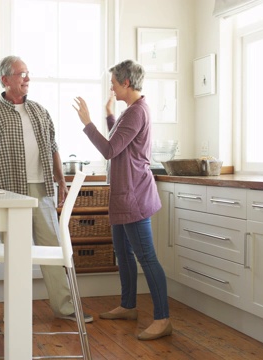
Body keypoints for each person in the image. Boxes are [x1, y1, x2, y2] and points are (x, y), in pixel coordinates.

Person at [0, 55, 93, 323]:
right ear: (5, 80)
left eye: (27, 73)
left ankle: (66, 307)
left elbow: (53, 149)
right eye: (20, 74)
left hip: (42, 189)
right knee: (15, 252)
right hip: (9, 191)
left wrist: (61, 180)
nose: (26, 78)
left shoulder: (39, 110)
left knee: (53, 249)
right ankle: (17, 310)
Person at [72, 59, 171, 340]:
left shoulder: (137, 112)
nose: (112, 87)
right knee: (124, 255)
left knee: (147, 258)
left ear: (126, 82)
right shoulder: (131, 112)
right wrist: (108, 115)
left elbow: (110, 149)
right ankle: (128, 305)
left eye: (114, 82)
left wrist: (88, 122)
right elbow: (123, 141)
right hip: (124, 196)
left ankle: (163, 318)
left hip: (134, 198)